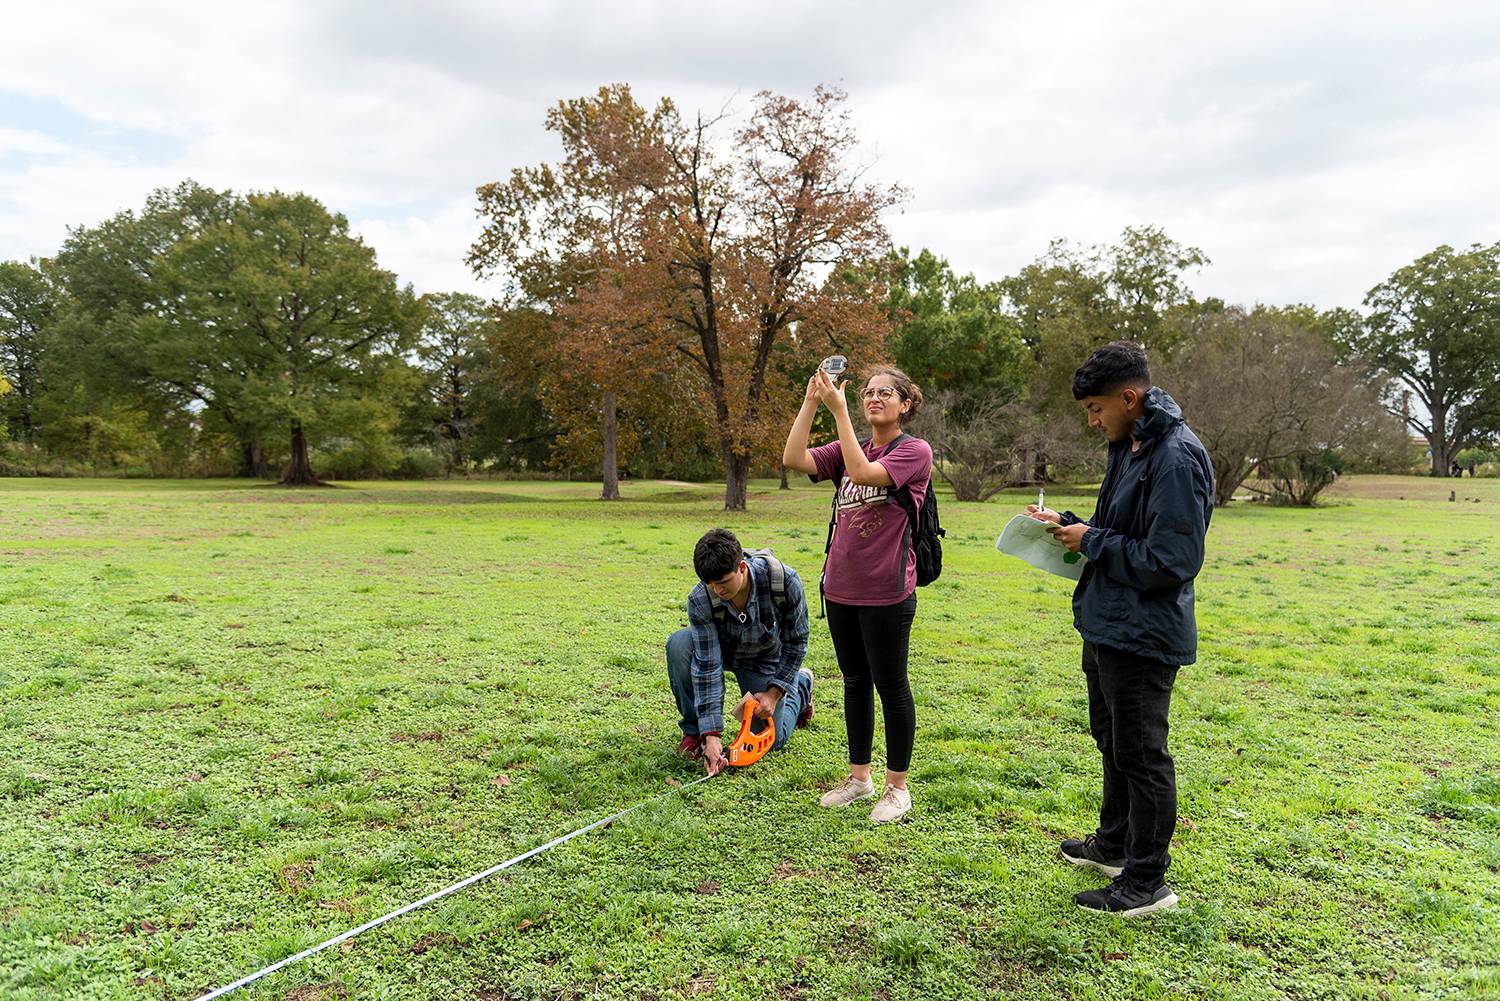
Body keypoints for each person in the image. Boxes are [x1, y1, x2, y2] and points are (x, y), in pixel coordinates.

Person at [1026, 341, 1212, 917]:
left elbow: (1171, 561)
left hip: (1144, 634)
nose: (1092, 419)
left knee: (1142, 754)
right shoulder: (1131, 443)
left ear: (1130, 398)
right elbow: (1121, 529)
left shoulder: (1176, 456)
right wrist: (1074, 527)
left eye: (1096, 408)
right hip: (1108, 622)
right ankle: (1114, 844)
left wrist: (1095, 541)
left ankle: (1146, 882)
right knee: (1112, 742)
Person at [782, 364, 933, 824]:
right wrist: (812, 401)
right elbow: (794, 458)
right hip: (841, 587)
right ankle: (860, 777)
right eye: (868, 392)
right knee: (854, 682)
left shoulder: (914, 451)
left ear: (905, 404)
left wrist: (841, 413)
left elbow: (865, 474)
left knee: (891, 684)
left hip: (887, 589)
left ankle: (897, 787)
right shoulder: (852, 445)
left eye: (886, 393)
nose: (874, 398)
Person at [667, 528, 814, 776]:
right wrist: (711, 734)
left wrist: (774, 693)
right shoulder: (701, 598)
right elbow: (707, 665)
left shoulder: (783, 581)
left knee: (772, 740)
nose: (718, 591)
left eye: (723, 583)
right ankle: (694, 733)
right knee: (680, 644)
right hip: (721, 651)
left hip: (763, 657)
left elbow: (797, 641)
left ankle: (800, 686)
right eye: (711, 585)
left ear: (742, 567)